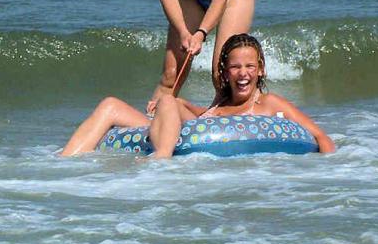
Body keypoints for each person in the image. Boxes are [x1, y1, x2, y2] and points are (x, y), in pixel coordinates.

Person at [61, 33, 335, 157]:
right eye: (235, 67)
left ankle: (160, 160)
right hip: (175, 129)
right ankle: (66, 163)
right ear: (225, 72)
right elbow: (203, 118)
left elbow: (319, 135)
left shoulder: (269, 102)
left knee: (169, 101)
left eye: (250, 67)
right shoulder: (222, 101)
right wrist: (172, 104)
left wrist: (335, 169)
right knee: (110, 104)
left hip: (173, 137)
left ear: (260, 70)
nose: (243, 74)